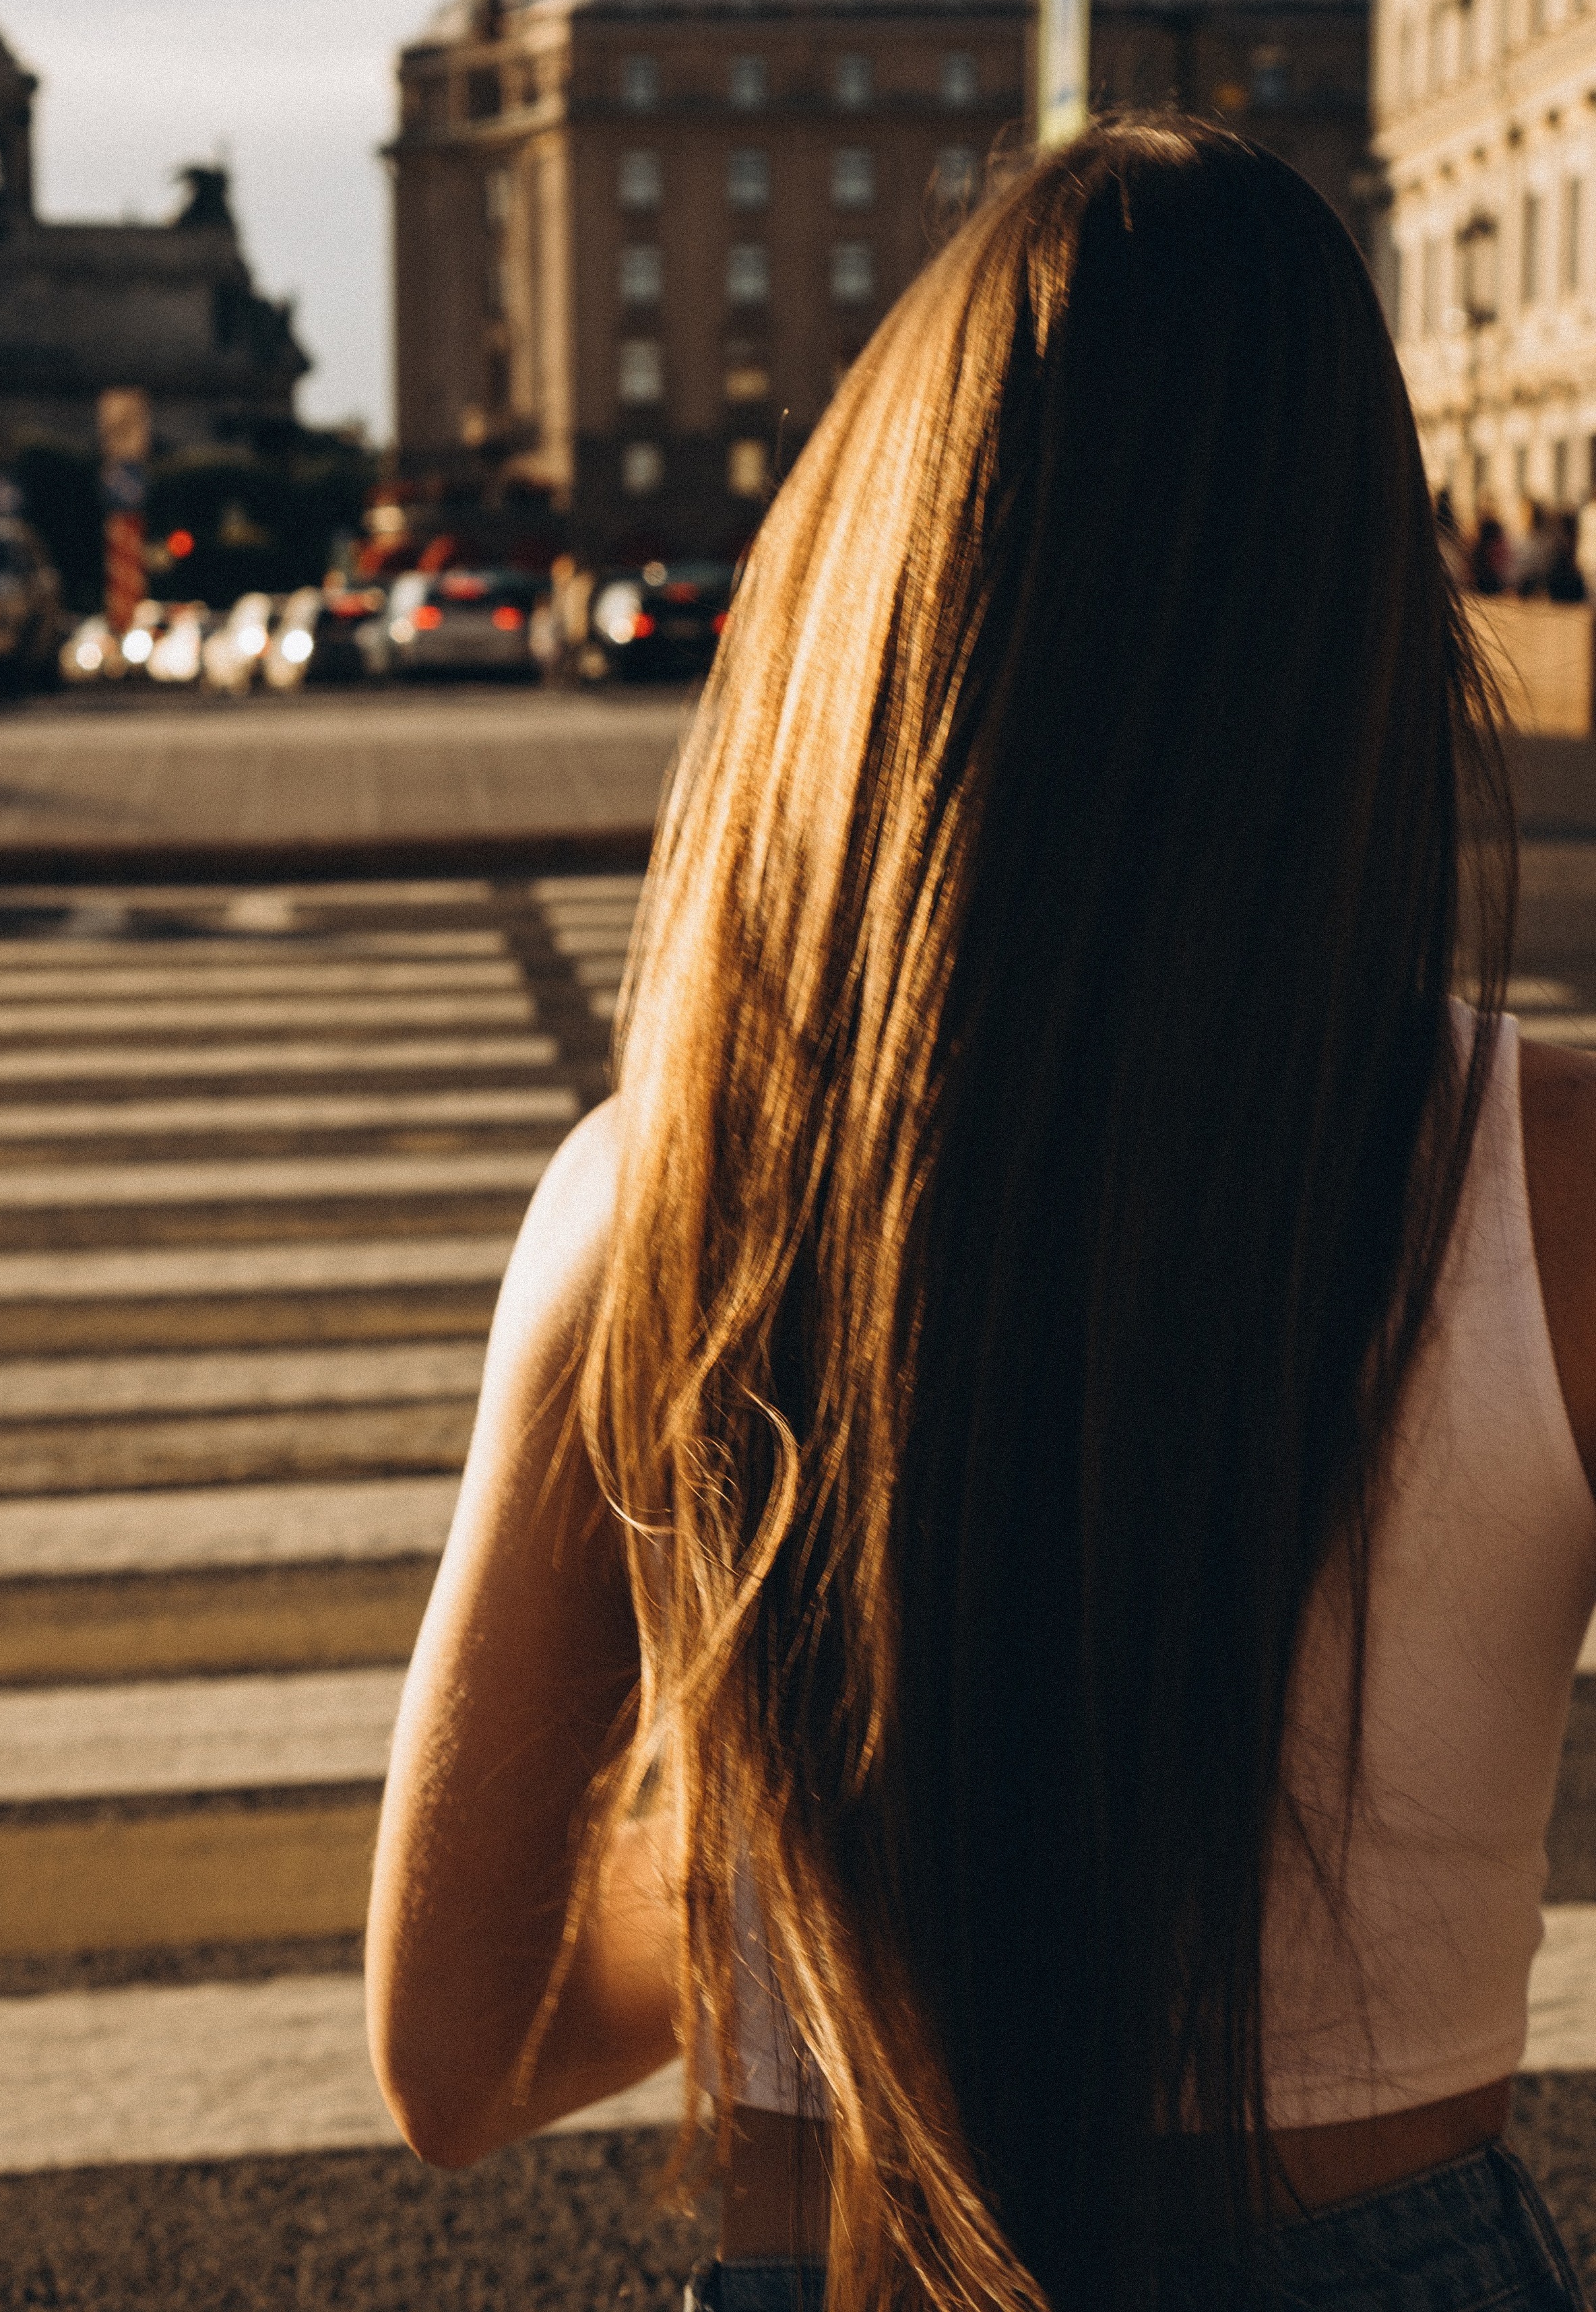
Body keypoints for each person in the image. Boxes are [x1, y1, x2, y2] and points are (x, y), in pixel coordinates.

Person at [365, 120, 1596, 2312]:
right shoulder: (1555, 1179)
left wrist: (853, 1821)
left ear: (881, 599)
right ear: (1364, 612)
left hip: (830, 2254)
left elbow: (462, 2048)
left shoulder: (652, 1192)